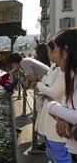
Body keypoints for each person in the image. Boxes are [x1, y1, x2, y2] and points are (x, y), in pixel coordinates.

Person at [35, 40, 71, 162]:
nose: (50, 53)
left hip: (56, 120)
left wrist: (39, 85)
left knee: (59, 155)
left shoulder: (63, 69)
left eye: (53, 50)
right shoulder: (55, 66)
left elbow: (54, 92)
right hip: (51, 117)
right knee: (51, 153)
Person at [47, 27, 77, 162]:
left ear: (65, 52)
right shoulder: (73, 79)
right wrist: (62, 117)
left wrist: (53, 107)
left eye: (56, 50)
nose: (55, 58)